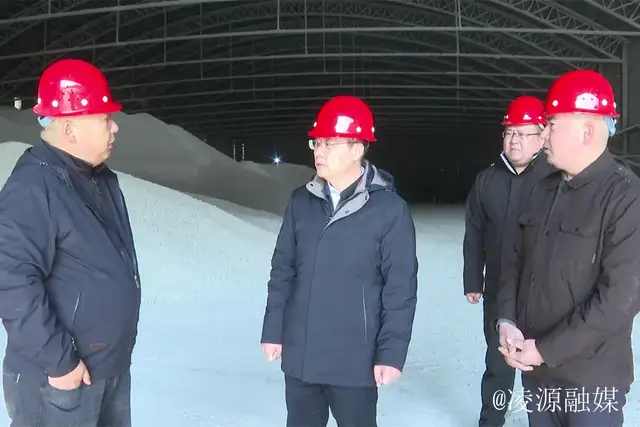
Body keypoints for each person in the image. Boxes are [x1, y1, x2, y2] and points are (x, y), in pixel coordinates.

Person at [260, 95, 419, 427]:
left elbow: (399, 288)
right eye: (316, 142)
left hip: (354, 362)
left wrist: (391, 354)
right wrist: (273, 330)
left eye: (329, 143)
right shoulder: (301, 202)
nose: (319, 151)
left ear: (357, 149)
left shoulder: (389, 211)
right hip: (302, 357)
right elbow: (283, 270)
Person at [0, 58, 141, 427]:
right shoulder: (33, 188)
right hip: (59, 380)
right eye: (104, 118)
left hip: (106, 370)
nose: (115, 127)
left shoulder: (100, 180)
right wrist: (59, 362)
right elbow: (11, 282)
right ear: (69, 128)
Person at [497, 69, 640, 427]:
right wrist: (507, 319)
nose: (542, 134)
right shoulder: (541, 188)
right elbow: (513, 259)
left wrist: (545, 349)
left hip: (591, 383)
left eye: (551, 124)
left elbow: (619, 300)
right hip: (537, 375)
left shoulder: (625, 198)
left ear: (587, 131)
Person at [463, 95, 552, 427]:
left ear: (542, 137)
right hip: (500, 287)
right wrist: (474, 279)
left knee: (540, 365)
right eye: (509, 132)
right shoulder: (488, 180)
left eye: (523, 133)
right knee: (498, 362)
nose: (514, 140)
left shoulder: (555, 179)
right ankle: (491, 420)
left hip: (543, 290)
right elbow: (474, 231)